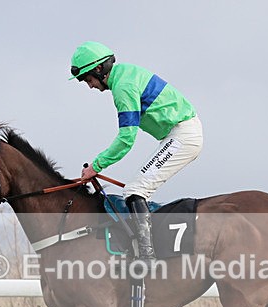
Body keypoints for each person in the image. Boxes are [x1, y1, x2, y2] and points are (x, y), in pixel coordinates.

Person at [70, 41, 203, 263]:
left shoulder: (123, 87)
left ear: (99, 69)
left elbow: (126, 139)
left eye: (87, 79)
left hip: (183, 135)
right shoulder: (124, 75)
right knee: (136, 189)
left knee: (135, 189)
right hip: (179, 134)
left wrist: (96, 166)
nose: (89, 86)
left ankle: (147, 256)